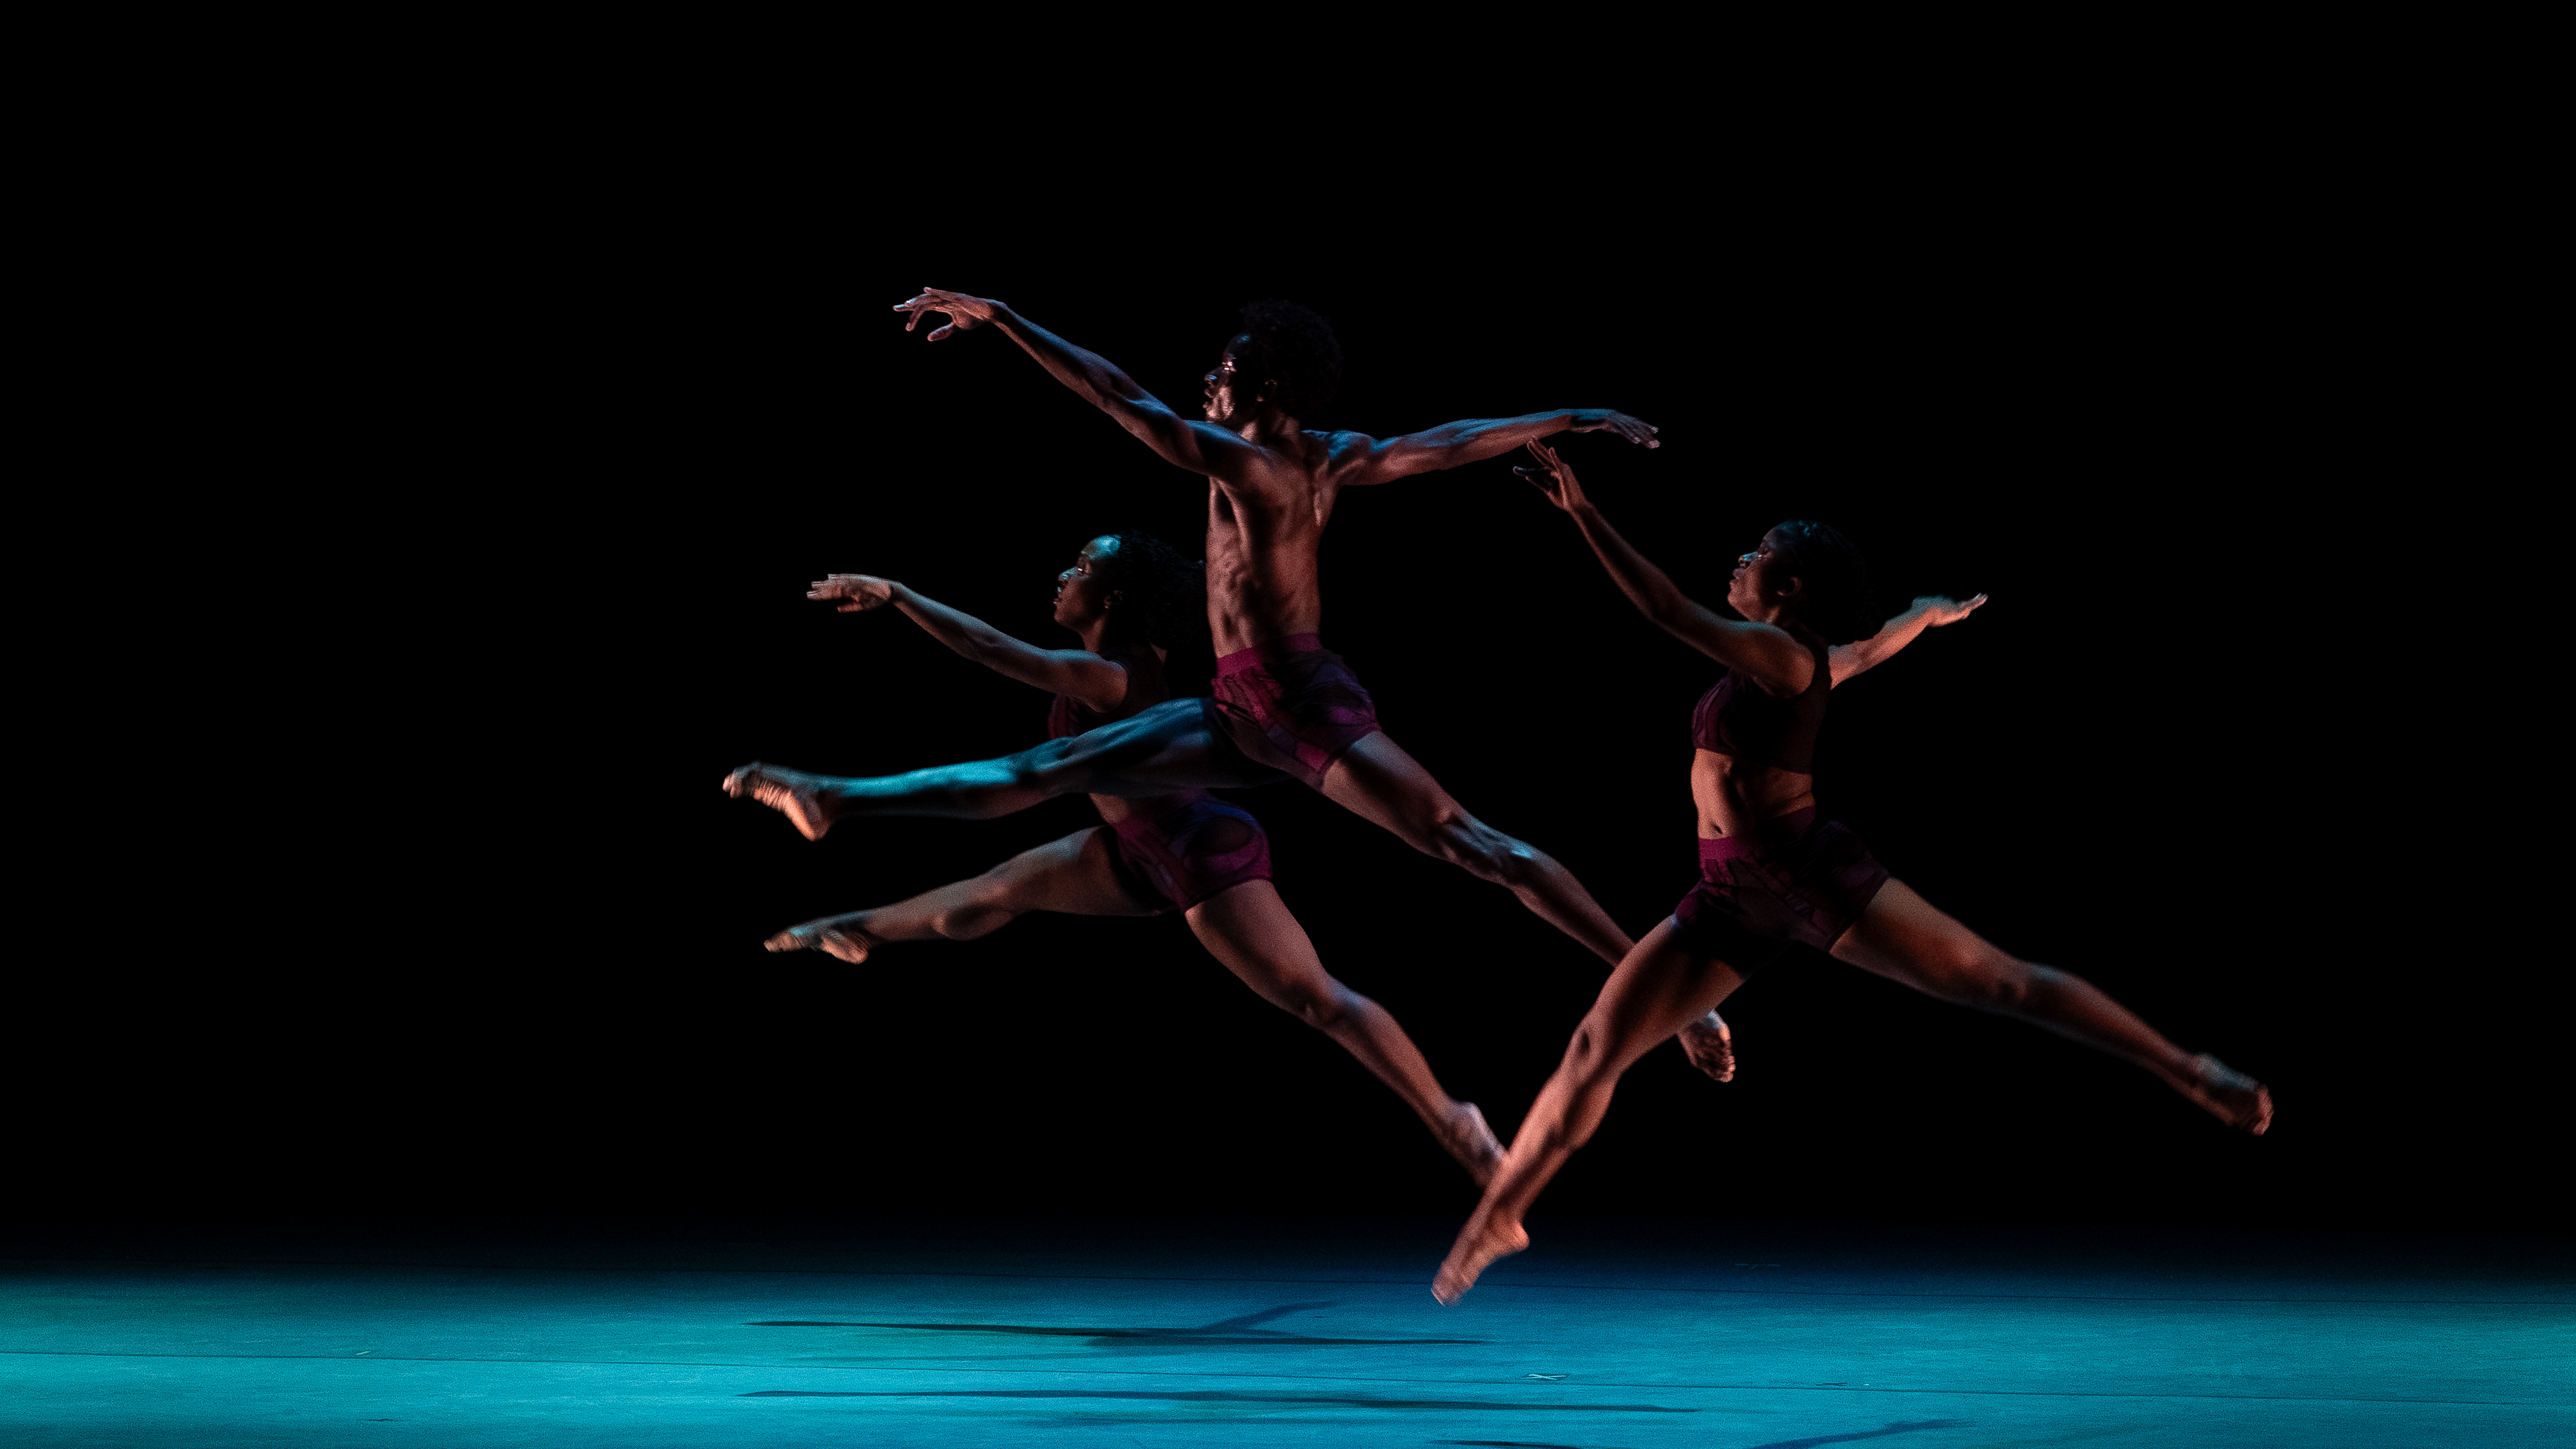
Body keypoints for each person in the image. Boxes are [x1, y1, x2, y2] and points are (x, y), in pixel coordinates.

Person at [726, 288, 1754, 1071]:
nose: (1206, 380)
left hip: (1300, 703)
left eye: (1223, 367)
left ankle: (1677, 996)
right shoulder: (1335, 455)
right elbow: (1440, 446)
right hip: (1238, 708)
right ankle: (834, 798)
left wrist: (1005, 320)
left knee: (1477, 848)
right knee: (1047, 766)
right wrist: (1565, 414)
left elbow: (1112, 393)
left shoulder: (1242, 458)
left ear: (1259, 386)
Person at [1429, 441, 2275, 1304]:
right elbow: (1869, 652)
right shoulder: (1805, 659)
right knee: (1593, 1050)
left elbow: (1665, 610)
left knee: (2000, 984)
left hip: (1811, 874)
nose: (1741, 561)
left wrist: (1583, 512)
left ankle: (2191, 1071)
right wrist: (1926, 613)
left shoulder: (1785, 656)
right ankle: (1504, 1213)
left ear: (1789, 591)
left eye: (1757, 556)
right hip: (1729, 897)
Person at [762, 530, 1506, 1182]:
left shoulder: (1112, 674)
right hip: (1128, 847)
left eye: (1081, 565)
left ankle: (1452, 1118)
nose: (1063, 575)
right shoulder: (1105, 666)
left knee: (1316, 998)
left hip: (1196, 849)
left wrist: (901, 595)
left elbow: (991, 648)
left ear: (1115, 596)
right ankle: (854, 926)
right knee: (986, 897)